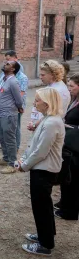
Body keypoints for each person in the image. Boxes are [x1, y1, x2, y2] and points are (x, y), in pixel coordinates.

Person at [17, 88, 65, 256]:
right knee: (42, 206)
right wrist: (24, 159)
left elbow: (41, 151)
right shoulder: (48, 120)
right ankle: (46, 234)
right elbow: (34, 145)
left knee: (41, 207)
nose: (34, 103)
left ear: (47, 103)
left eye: (37, 100)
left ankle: (45, 244)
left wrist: (25, 165)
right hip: (41, 168)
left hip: (44, 170)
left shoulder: (52, 123)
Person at [55, 74, 79, 220]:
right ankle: (65, 203)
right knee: (67, 176)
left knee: (74, 180)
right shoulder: (75, 100)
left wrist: (71, 127)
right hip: (70, 144)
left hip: (76, 146)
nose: (69, 89)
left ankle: (70, 211)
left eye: (72, 86)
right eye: (68, 85)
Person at [0, 61, 24, 174]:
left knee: (10, 139)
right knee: (1, 137)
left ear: (12, 69)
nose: (4, 64)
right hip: (0, 113)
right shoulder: (4, 79)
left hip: (9, 114)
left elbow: (19, 99)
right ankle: (6, 158)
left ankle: (12, 164)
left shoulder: (13, 81)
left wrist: (19, 107)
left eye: (7, 64)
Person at [0, 51, 28, 150]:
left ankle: (16, 146)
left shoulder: (22, 77)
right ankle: (8, 146)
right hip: (4, 106)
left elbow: (21, 93)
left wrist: (19, 106)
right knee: (5, 128)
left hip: (15, 106)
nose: (6, 62)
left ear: (15, 59)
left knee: (15, 127)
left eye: (8, 60)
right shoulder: (4, 75)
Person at [29, 60, 71, 128]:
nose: (40, 77)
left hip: (50, 127)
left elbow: (51, 114)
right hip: (45, 125)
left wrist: (35, 125)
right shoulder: (52, 86)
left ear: (52, 75)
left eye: (43, 75)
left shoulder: (57, 90)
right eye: (40, 74)